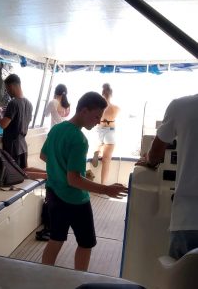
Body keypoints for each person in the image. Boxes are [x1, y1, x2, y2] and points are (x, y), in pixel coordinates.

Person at [40, 91, 127, 271]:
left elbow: (44, 155)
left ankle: (43, 276)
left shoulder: (57, 129)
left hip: (54, 193)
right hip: (75, 200)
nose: (98, 122)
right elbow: (74, 180)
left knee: (56, 239)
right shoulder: (79, 140)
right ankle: (81, 278)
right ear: (84, 111)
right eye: (96, 116)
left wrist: (59, 167)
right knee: (86, 243)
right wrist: (106, 189)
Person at [136, 94, 198, 260]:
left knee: (182, 280)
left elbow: (156, 153)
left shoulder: (181, 106)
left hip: (188, 219)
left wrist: (149, 161)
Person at [0, 73, 46, 179]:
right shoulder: (29, 104)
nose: (7, 91)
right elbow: (22, 120)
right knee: (25, 169)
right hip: (22, 144)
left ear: (12, 86)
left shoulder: (13, 103)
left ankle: (50, 176)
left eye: (7, 88)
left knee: (20, 173)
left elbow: (3, 125)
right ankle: (52, 174)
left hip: (13, 146)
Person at [91, 83, 120, 185]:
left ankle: (97, 151)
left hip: (99, 130)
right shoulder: (115, 108)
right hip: (109, 131)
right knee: (106, 160)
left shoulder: (99, 108)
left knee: (100, 143)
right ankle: (103, 185)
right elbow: (114, 116)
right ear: (111, 94)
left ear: (102, 93)